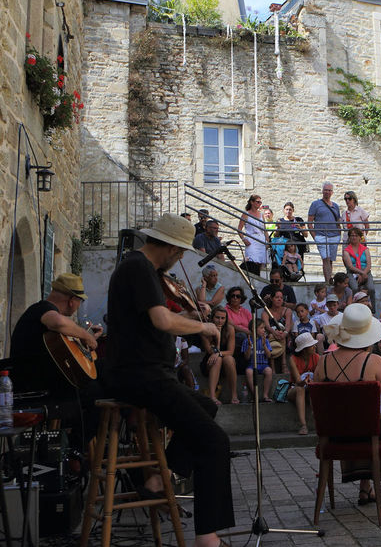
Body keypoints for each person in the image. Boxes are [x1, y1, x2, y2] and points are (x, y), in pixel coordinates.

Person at [100, 213, 232, 545]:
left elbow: (157, 317)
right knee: (215, 441)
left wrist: (188, 315)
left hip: (147, 373)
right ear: (172, 248)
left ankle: (160, 477)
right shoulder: (138, 268)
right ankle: (207, 537)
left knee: (206, 408)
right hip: (139, 376)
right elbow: (161, 320)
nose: (183, 257)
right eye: (181, 251)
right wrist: (202, 325)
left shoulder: (142, 271)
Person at [317, 304, 381, 507]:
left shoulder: (322, 362)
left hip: (335, 436)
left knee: (361, 420)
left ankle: (365, 487)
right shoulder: (374, 361)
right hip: (369, 435)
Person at [9, 273, 103, 448]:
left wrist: (85, 338)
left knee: (93, 385)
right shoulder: (42, 309)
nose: (78, 307)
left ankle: (67, 447)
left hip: (41, 383)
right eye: (79, 301)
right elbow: (57, 322)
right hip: (34, 388)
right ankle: (75, 452)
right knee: (97, 396)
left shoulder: (43, 315)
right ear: (72, 300)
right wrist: (85, 335)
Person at [201, 307, 238, 404]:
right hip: (210, 362)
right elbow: (210, 350)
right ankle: (212, 396)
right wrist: (218, 334)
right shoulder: (205, 329)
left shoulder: (230, 329)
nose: (220, 321)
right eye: (217, 317)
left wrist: (218, 354)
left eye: (223, 318)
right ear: (212, 317)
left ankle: (234, 395)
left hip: (224, 362)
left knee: (229, 359)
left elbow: (230, 351)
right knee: (218, 359)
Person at [308, 181, 342, 283]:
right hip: (321, 235)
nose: (327, 192)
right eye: (326, 190)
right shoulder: (315, 204)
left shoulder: (335, 206)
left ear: (332, 192)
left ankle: (329, 279)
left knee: (330, 259)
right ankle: (328, 281)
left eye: (329, 190)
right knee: (325, 258)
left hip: (334, 235)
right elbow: (309, 222)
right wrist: (315, 237)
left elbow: (338, 221)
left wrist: (339, 233)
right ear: (322, 191)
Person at [288, 333, 320, 435]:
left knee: (313, 388)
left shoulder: (317, 357)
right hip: (295, 388)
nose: (314, 347)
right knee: (300, 388)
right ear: (304, 349)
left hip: (311, 388)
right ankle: (303, 425)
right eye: (311, 345)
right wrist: (304, 382)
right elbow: (298, 381)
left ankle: (318, 422)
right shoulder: (293, 359)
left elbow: (319, 376)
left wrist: (313, 382)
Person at [259, 289, 293, 373]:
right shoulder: (266, 312)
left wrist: (285, 333)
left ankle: (284, 365)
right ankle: (272, 366)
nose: (279, 299)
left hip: (283, 334)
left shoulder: (287, 310)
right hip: (270, 334)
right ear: (272, 298)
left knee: (282, 336)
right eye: (277, 297)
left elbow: (288, 324)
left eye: (281, 298)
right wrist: (274, 332)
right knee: (270, 337)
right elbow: (267, 326)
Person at [342, 228, 373, 307]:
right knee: (354, 288)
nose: (354, 237)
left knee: (371, 288)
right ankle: (355, 307)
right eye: (352, 235)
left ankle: (372, 309)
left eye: (356, 235)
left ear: (360, 237)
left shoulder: (365, 249)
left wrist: (364, 273)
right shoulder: (346, 251)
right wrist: (361, 273)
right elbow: (350, 266)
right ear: (349, 237)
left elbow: (369, 265)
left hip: (365, 271)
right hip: (352, 272)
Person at [238, 194, 268, 275]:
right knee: (251, 260)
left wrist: (268, 242)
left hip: (261, 239)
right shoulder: (246, 214)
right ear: (252, 202)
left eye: (260, 202)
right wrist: (244, 239)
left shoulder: (261, 214)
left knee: (260, 263)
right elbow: (239, 229)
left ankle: (258, 278)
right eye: (257, 202)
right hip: (251, 239)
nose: (259, 204)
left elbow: (265, 230)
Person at [241, 330, 274, 402]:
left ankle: (265, 395)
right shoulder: (247, 341)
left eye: (264, 328)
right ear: (254, 329)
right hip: (251, 364)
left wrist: (264, 345)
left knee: (269, 371)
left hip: (263, 364)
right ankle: (255, 394)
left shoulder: (266, 341)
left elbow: (269, 355)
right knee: (248, 372)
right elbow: (246, 357)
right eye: (261, 328)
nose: (263, 330)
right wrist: (249, 347)